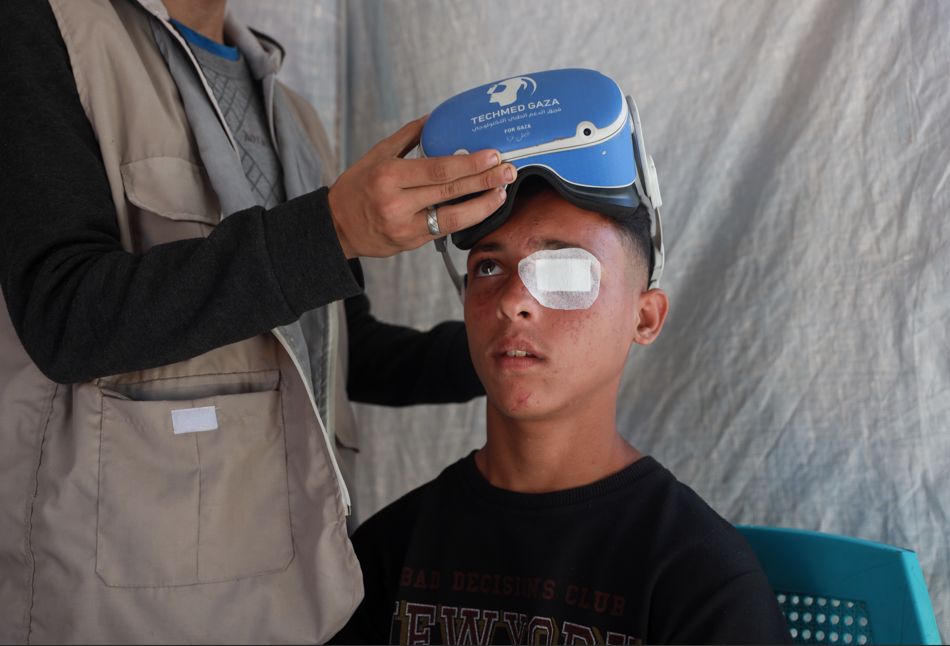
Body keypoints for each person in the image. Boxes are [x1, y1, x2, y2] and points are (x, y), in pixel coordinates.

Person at [0, 0, 516, 643]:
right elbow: (65, 316)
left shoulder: (293, 117)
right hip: (127, 609)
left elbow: (340, 352)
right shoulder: (43, 28)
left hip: (302, 594)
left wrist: (511, 343)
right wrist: (331, 229)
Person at [331, 69, 792, 644]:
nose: (514, 301)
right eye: (489, 267)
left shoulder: (699, 581)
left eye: (566, 271)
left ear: (644, 318)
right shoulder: (386, 557)